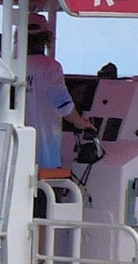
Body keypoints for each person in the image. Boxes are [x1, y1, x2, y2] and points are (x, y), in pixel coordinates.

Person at [25, 25, 97, 179]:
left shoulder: (12, 66)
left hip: (16, 153)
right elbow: (63, 103)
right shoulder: (50, 67)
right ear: (46, 39)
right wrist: (80, 123)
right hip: (45, 155)